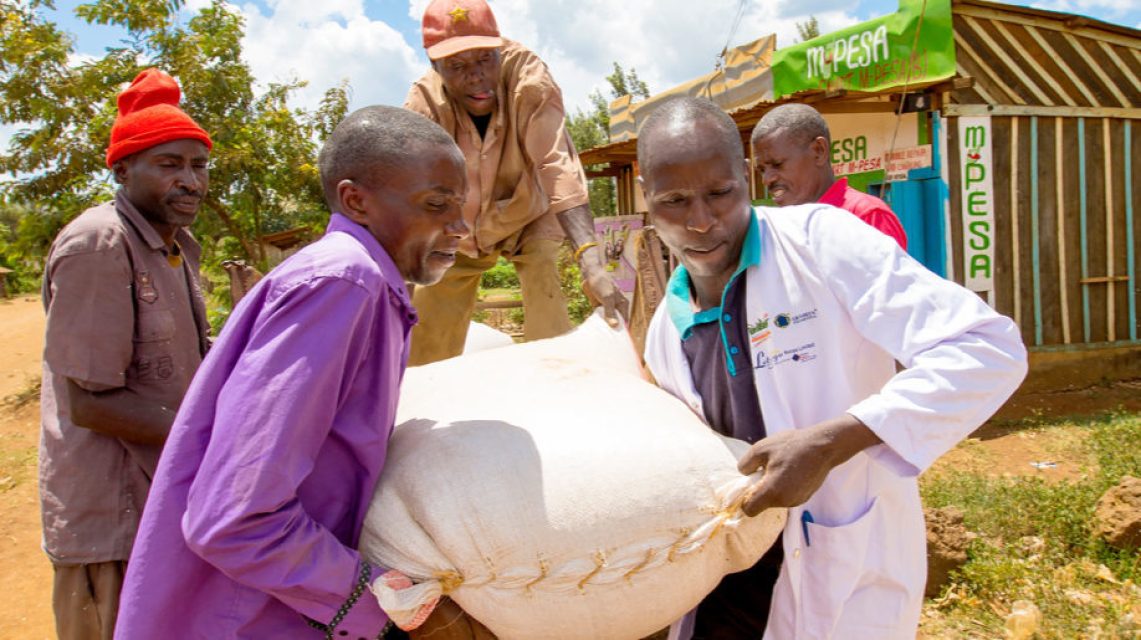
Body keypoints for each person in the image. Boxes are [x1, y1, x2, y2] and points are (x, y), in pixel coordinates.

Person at [636, 97, 1027, 639]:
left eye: (719, 193)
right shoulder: (665, 331)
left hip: (842, 567)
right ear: (645, 195)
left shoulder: (820, 241)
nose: (700, 222)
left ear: (745, 177)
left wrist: (832, 443)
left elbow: (986, 348)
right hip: (727, 584)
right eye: (675, 201)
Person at [115, 106, 491, 639]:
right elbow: (236, 519)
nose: (460, 227)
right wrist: (392, 609)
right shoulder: (343, 284)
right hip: (245, 616)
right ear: (355, 199)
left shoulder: (365, 285)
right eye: (436, 205)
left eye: (461, 207)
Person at [39, 67, 212, 640]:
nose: (191, 181)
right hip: (110, 511)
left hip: (160, 490)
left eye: (199, 165)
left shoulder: (175, 247)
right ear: (122, 169)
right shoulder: (99, 244)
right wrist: (214, 439)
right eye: (170, 164)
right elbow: (90, 403)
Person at [403, 0, 627, 365]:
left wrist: (592, 263)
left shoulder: (529, 79)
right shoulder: (423, 105)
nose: (475, 76)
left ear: (498, 47)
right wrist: (402, 282)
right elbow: (412, 194)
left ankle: (556, 380)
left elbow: (556, 164)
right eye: (457, 66)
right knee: (426, 349)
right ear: (435, 66)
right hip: (456, 230)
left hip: (526, 216)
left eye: (484, 60)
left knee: (543, 274)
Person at [751, 103, 908, 250]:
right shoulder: (778, 230)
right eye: (762, 170)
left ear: (819, 151)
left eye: (777, 164)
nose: (767, 179)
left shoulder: (866, 216)